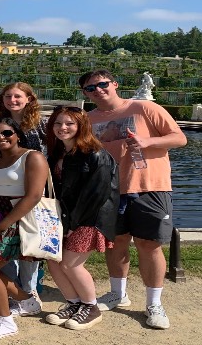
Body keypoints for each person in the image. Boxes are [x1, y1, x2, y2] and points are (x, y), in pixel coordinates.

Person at [79, 69, 187, 330]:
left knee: (149, 245)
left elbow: (179, 138)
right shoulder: (87, 118)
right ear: (85, 93)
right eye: (90, 88)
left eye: (102, 84)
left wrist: (147, 141)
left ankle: (153, 304)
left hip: (149, 186)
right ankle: (118, 293)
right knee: (116, 243)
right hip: (109, 189)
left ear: (114, 84)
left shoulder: (144, 107)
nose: (98, 90)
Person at [0, 118, 48, 341]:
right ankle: (27, 301)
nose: (0, 137)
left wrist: (0, 227)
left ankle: (3, 321)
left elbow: (33, 196)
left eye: (6, 132)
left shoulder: (32, 157)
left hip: (19, 217)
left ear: (17, 134)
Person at [43, 106, 119, 330]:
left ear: (81, 126)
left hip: (89, 218)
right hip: (63, 217)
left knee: (71, 264)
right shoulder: (58, 152)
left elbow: (96, 194)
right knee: (54, 260)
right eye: (58, 123)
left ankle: (91, 306)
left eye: (69, 124)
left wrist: (73, 224)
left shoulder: (95, 154)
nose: (62, 128)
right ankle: (74, 303)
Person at [0, 82, 46, 309]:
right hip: (6, 189)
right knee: (7, 241)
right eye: (7, 96)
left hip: (33, 189)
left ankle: (30, 292)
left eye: (17, 96)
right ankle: (16, 292)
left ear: (29, 98)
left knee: (29, 241)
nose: (12, 100)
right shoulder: (0, 123)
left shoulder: (41, 124)